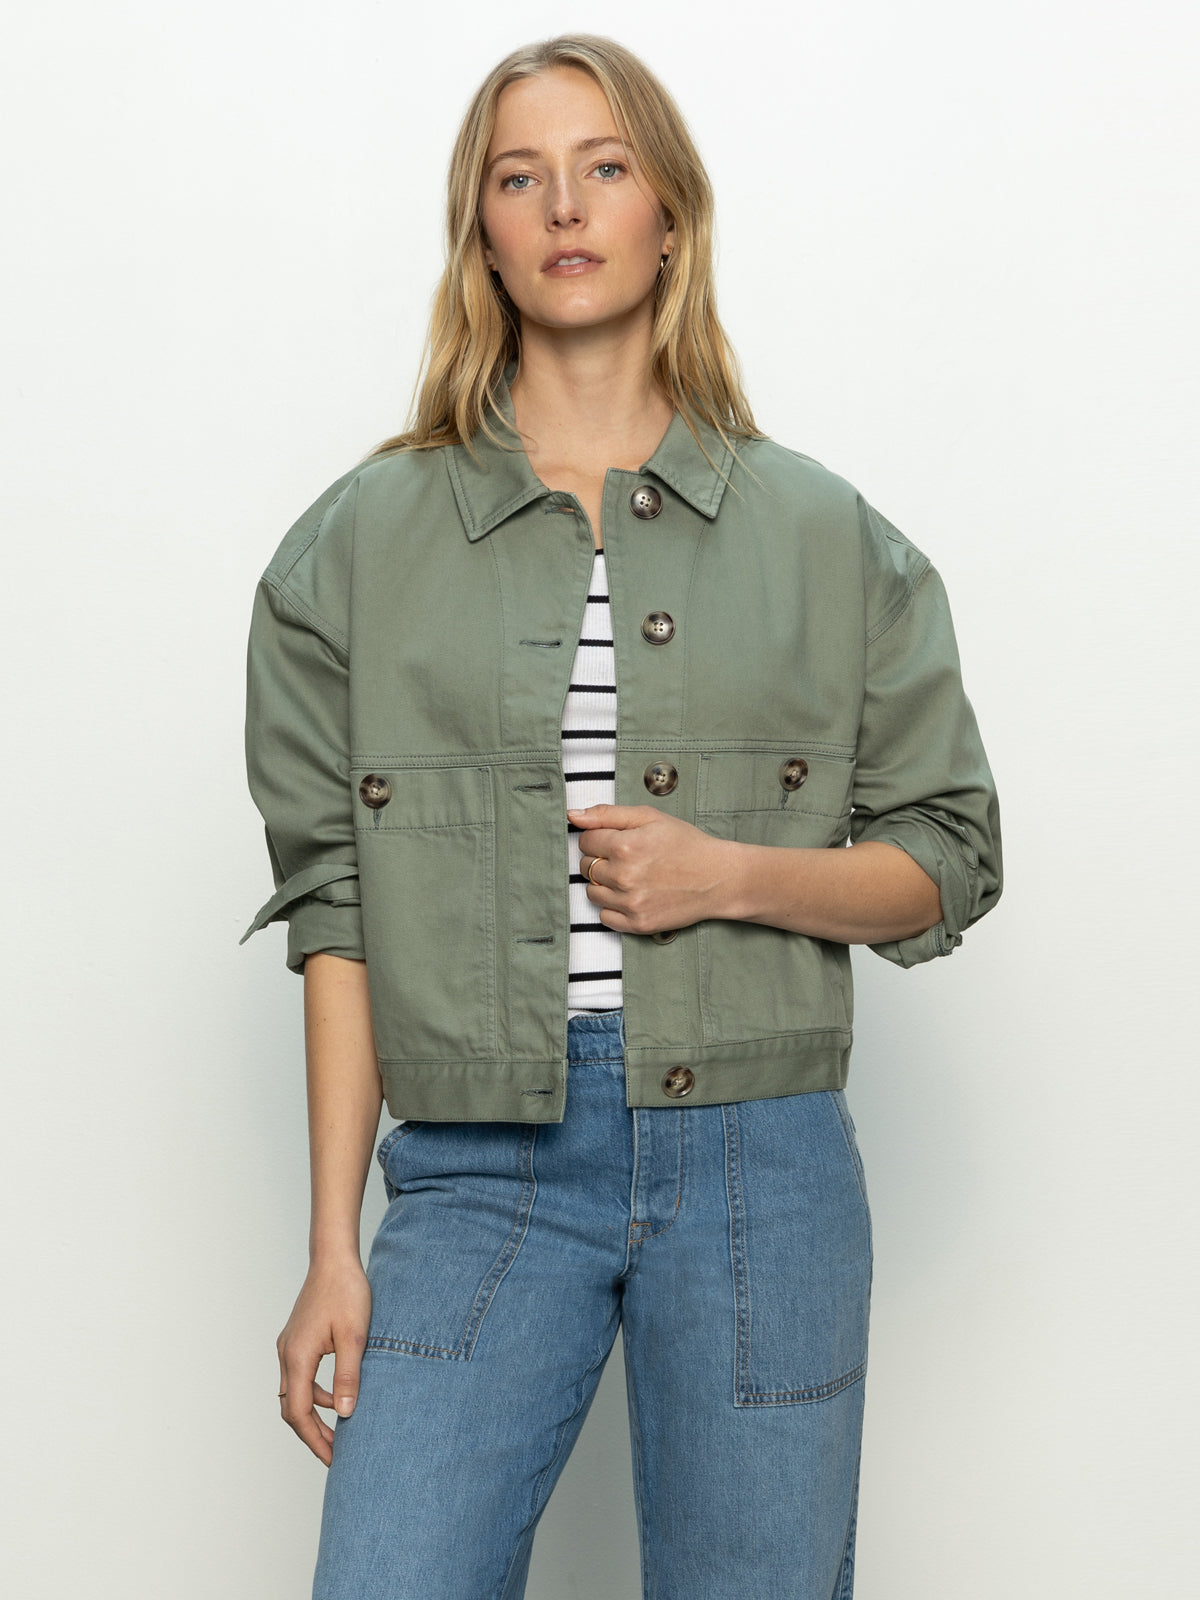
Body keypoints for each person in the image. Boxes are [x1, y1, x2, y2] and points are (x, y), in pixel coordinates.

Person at [240, 33, 1002, 1600]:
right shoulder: (359, 547)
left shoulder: (823, 534)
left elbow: (951, 856)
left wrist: (735, 874)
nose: (564, 206)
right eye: (519, 177)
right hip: (472, 1166)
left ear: (670, 213)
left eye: (604, 167)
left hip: (758, 1168)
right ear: (482, 230)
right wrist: (332, 1243)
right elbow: (342, 916)